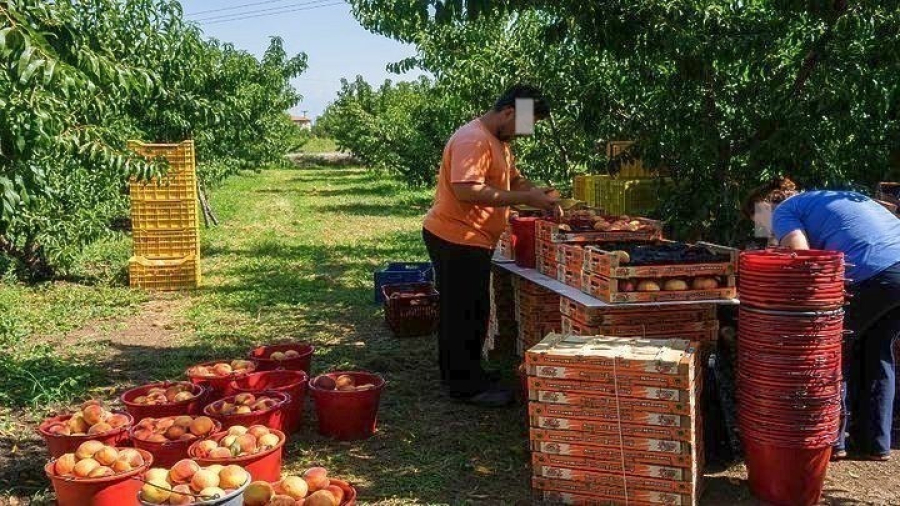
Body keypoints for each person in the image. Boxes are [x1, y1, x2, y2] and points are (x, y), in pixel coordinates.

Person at [422, 85, 560, 407]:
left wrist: (539, 194)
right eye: (525, 124)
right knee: (464, 312)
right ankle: (464, 386)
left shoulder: (499, 142)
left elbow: (513, 179)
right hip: (455, 237)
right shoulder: (474, 139)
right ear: (509, 112)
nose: (525, 133)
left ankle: (465, 372)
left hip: (471, 239)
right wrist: (526, 199)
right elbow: (467, 190)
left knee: (471, 309)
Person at [744, 179, 900, 460]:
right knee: (877, 351)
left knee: (829, 351)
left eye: (759, 220)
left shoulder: (784, 210)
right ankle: (874, 444)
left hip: (872, 273)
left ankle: (832, 442)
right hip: (895, 269)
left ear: (764, 208)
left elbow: (805, 260)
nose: (763, 229)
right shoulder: (834, 196)